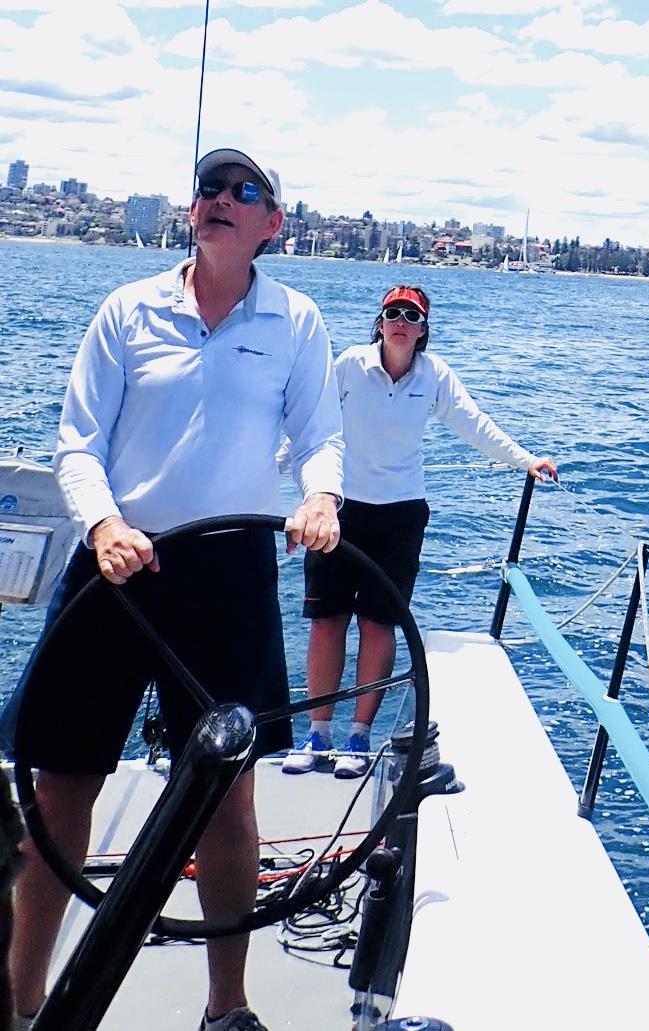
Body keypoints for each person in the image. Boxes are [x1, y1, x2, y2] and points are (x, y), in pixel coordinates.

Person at [5, 147, 343, 1031]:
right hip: (117, 568)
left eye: (245, 192)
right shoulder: (127, 309)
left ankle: (226, 1007)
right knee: (61, 787)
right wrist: (104, 524)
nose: (220, 199)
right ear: (192, 213)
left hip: (228, 575)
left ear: (273, 224)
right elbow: (77, 441)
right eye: (210, 189)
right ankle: (23, 1000)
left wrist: (320, 493)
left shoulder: (297, 321)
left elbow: (318, 433)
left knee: (229, 795)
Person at [282, 284, 557, 779]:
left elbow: (474, 424)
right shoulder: (348, 364)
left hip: (401, 515)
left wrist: (526, 461)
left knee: (377, 624)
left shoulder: (434, 377)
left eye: (412, 315)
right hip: (338, 508)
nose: (401, 321)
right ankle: (317, 732)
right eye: (393, 313)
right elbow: (310, 425)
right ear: (380, 322)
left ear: (424, 327)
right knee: (327, 623)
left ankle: (358, 737)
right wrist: (269, 474)